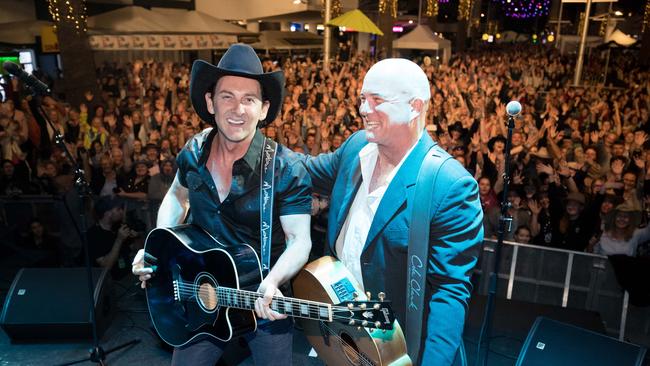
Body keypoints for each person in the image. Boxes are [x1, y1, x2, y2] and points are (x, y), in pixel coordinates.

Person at [131, 44, 312, 366]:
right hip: (201, 294)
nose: (237, 109)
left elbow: (300, 240)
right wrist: (159, 245)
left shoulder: (286, 167)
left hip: (261, 301)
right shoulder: (193, 151)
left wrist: (273, 282)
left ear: (264, 109)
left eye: (249, 99)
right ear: (210, 102)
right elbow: (176, 196)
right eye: (227, 96)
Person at [298, 58, 483, 365]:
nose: (363, 110)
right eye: (362, 99)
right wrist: (255, 144)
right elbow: (304, 171)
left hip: (395, 351)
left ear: (414, 107)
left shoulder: (449, 185)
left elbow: (449, 293)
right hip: (338, 339)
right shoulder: (357, 147)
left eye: (377, 101)